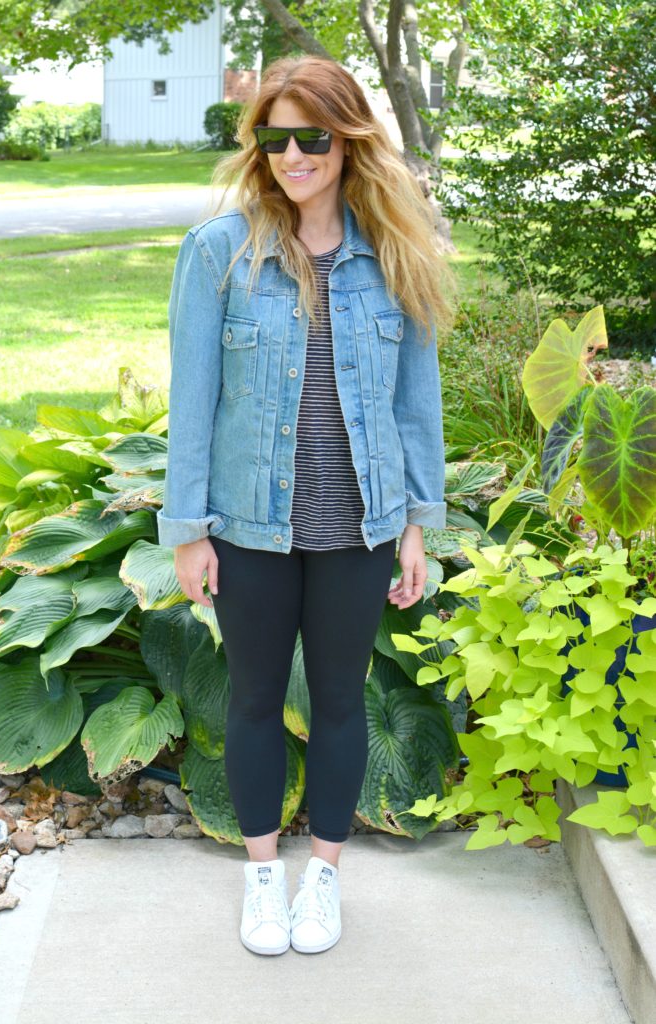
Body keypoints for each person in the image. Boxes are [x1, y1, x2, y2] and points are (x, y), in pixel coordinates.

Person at [157, 54, 456, 957]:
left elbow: (415, 402)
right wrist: (187, 533)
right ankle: (261, 880)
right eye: (274, 137)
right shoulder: (218, 252)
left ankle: (321, 877)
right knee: (252, 699)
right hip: (249, 526)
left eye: (310, 137)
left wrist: (414, 523)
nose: (291, 155)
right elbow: (193, 402)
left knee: (337, 700)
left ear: (347, 139)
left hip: (358, 524)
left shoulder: (393, 253)